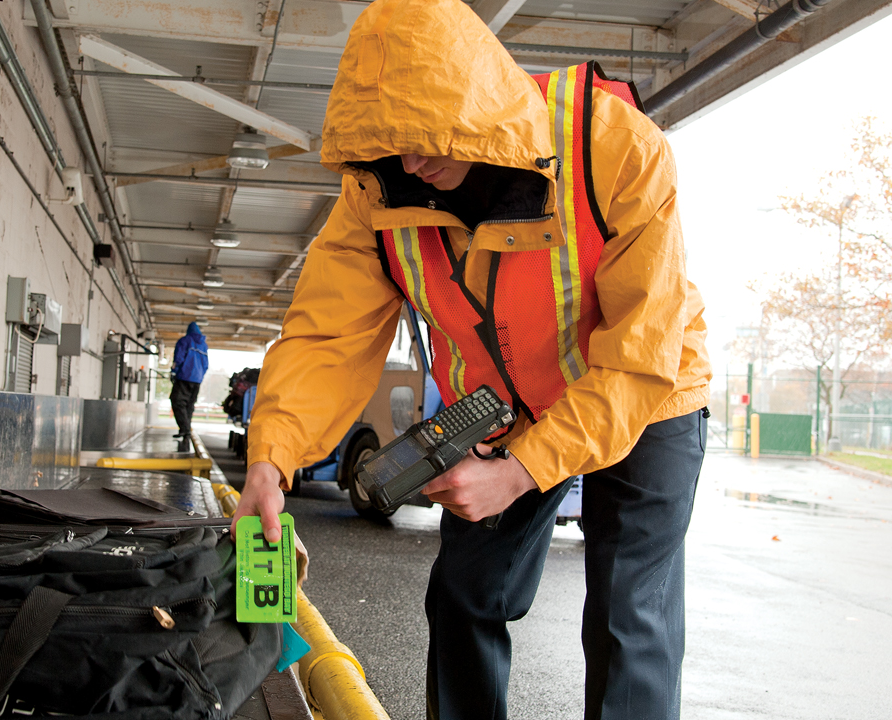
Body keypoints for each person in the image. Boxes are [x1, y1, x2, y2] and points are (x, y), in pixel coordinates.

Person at [233, 1, 712, 718]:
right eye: (392, 146)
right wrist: (272, 460)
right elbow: (326, 335)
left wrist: (521, 473)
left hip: (646, 398)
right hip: (510, 409)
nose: (413, 163)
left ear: (474, 100)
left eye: (426, 137)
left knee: (626, 618)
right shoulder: (374, 191)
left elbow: (642, 353)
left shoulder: (612, 147)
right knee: (463, 595)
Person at [170, 322, 208, 439]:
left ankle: (185, 429)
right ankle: (186, 429)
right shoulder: (203, 345)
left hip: (184, 376)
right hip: (197, 379)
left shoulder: (185, 341)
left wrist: (174, 371)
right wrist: (200, 376)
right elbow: (205, 365)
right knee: (189, 405)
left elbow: (179, 357)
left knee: (177, 401)